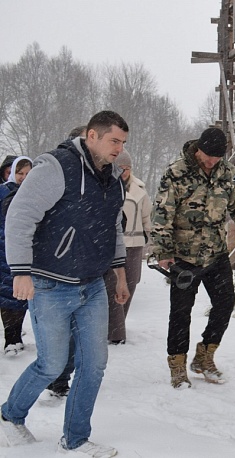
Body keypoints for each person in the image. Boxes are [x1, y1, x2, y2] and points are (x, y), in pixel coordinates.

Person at [0, 110, 130, 457]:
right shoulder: (57, 167)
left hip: (92, 285)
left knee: (94, 364)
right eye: (114, 140)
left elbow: (113, 228)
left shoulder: (113, 179)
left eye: (123, 142)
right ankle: (9, 415)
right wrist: (21, 271)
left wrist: (119, 274)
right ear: (92, 135)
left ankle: (76, 437)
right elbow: (20, 217)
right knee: (52, 363)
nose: (119, 148)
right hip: (50, 284)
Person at [150, 127, 235, 388]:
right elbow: (162, 213)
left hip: (215, 254)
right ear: (198, 148)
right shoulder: (177, 172)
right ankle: (178, 366)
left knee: (225, 304)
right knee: (181, 313)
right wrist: (163, 251)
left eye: (218, 157)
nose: (212, 161)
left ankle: (204, 356)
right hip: (183, 257)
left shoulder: (227, 173)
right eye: (208, 156)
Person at [44, 126, 87, 400]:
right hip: (56, 269)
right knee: (60, 334)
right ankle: (54, 375)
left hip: (90, 270)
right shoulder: (54, 168)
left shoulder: (103, 177)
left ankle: (65, 378)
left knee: (79, 332)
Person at [103, 149, 152, 345]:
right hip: (114, 244)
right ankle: (115, 333)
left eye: (128, 168)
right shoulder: (106, 185)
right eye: (121, 167)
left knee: (131, 284)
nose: (124, 172)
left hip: (135, 244)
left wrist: (150, 238)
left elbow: (147, 216)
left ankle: (118, 324)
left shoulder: (139, 188)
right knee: (113, 286)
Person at [0, 156, 33, 356]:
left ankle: (17, 335)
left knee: (21, 296)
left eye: (28, 174)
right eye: (20, 173)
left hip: (26, 251)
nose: (23, 177)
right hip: (4, 250)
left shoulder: (34, 194)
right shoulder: (3, 191)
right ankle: (10, 338)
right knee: (6, 295)